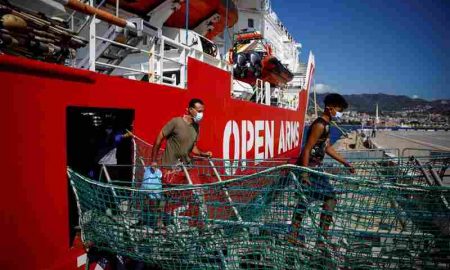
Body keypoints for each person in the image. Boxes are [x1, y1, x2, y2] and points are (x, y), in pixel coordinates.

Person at [289, 93, 355, 247]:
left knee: (304, 201)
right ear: (329, 108)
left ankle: (296, 235)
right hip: (310, 168)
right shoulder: (320, 125)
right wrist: (304, 173)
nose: (340, 113)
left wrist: (345, 163)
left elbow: (328, 148)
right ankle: (320, 240)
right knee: (329, 198)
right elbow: (307, 149)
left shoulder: (327, 124)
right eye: (338, 110)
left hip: (315, 167)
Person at [150, 98, 212, 179]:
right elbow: (159, 139)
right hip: (169, 169)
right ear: (190, 110)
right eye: (199, 111)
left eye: (202, 111)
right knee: (170, 191)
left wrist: (203, 154)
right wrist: (154, 161)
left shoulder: (197, 127)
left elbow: (193, 147)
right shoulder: (176, 122)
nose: (201, 114)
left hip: (185, 169)